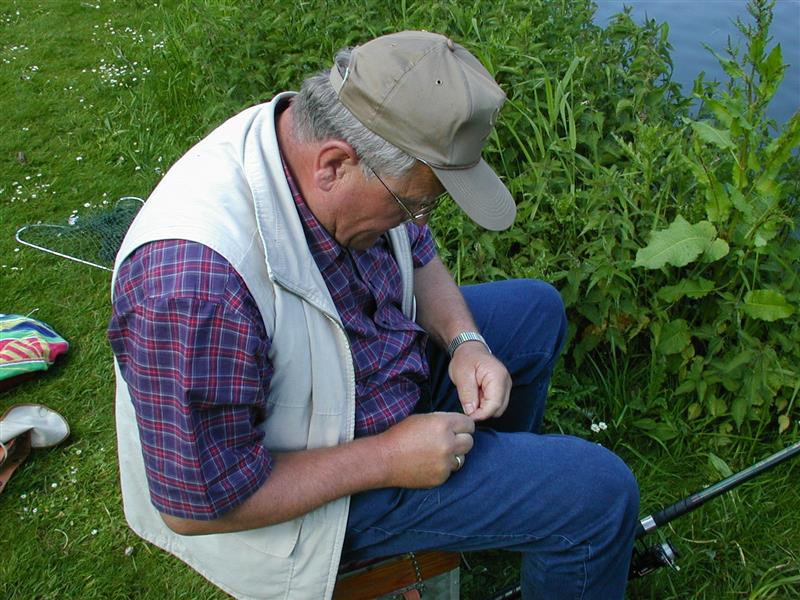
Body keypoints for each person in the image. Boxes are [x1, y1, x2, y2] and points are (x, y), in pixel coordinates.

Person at [108, 31, 639, 599]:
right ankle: (510, 511)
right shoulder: (192, 290)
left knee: (537, 311)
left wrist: (466, 343)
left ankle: (490, 520)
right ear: (335, 165)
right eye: (414, 203)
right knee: (598, 497)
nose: (419, 219)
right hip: (305, 499)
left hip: (359, 381)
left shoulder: (327, 138)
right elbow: (197, 505)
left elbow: (417, 251)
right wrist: (387, 459)